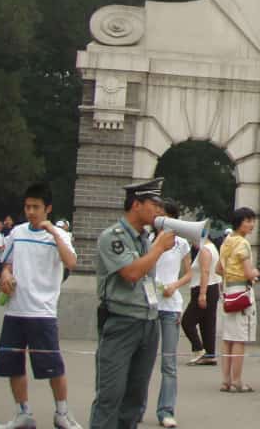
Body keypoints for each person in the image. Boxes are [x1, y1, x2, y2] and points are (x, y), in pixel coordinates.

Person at [0, 183, 82, 429]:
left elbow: (71, 261)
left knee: (52, 366)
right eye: (27, 206)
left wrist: (53, 232)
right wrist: (6, 275)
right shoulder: (17, 233)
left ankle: (62, 412)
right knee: (12, 365)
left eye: (36, 207)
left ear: (48, 209)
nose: (30, 211)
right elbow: (6, 262)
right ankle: (23, 413)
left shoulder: (59, 236)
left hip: (42, 312)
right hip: (15, 309)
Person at [89, 179, 173, 429]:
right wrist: (157, 249)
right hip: (121, 321)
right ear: (136, 205)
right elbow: (131, 273)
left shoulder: (145, 239)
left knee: (135, 399)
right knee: (111, 395)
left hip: (148, 322)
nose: (159, 211)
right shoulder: (112, 237)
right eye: (154, 204)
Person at [152, 201, 191, 428]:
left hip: (171, 306)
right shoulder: (148, 240)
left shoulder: (182, 244)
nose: (159, 221)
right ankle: (136, 407)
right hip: (149, 306)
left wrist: (174, 285)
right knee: (144, 362)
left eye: (163, 217)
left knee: (169, 363)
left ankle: (166, 410)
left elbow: (188, 273)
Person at [218, 207, 259, 393]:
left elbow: (219, 269)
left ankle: (225, 380)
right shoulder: (242, 244)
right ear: (239, 222)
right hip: (241, 292)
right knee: (239, 340)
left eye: (252, 220)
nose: (251, 224)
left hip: (227, 291)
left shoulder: (226, 241)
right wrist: (255, 273)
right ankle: (237, 381)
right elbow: (249, 272)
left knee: (228, 338)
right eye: (247, 220)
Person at [181, 235, 220, 367]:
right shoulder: (213, 248)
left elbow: (205, 272)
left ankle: (199, 350)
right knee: (207, 323)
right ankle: (210, 354)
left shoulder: (205, 250)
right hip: (212, 287)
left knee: (187, 321)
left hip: (203, 288)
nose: (193, 244)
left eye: (193, 240)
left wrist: (202, 294)